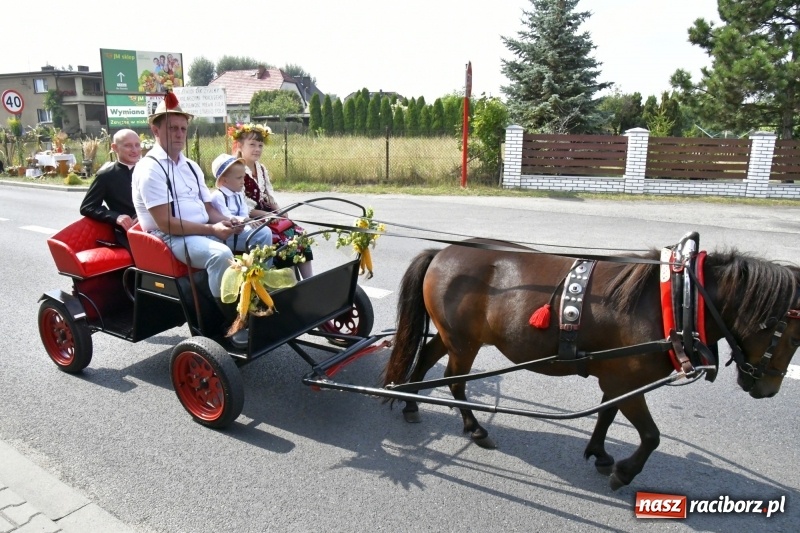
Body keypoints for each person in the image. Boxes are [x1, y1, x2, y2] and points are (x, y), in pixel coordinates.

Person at [132, 92, 240, 323]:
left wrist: (226, 220)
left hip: (200, 230)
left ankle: (262, 303)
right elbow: (166, 223)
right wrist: (212, 230)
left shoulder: (190, 166)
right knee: (220, 255)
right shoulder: (150, 169)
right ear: (155, 130)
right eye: (173, 128)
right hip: (170, 238)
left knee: (260, 235)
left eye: (183, 128)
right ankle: (231, 321)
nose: (180, 134)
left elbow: (208, 209)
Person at [229, 123, 313, 278]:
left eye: (260, 145)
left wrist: (279, 211)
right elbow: (242, 205)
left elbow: (269, 195)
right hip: (251, 218)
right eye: (252, 145)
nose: (257, 149)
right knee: (284, 242)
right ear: (240, 145)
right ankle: (290, 281)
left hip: (268, 214)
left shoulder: (261, 168)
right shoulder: (236, 169)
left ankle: (309, 280)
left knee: (300, 235)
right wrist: (266, 215)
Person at [79, 129, 140, 250]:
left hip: (158, 227)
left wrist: (146, 216)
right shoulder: (106, 175)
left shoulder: (151, 170)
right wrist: (116, 217)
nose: (134, 150)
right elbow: (88, 207)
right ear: (114, 148)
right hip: (130, 233)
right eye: (128, 145)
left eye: (137, 145)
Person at [209, 153, 274, 252]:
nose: (243, 181)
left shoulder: (238, 194)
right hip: (224, 234)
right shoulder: (218, 196)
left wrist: (249, 221)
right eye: (239, 178)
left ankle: (258, 258)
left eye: (243, 177)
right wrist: (245, 220)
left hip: (238, 229)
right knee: (264, 233)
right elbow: (226, 217)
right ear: (224, 181)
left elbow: (244, 211)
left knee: (263, 229)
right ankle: (261, 259)